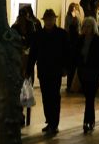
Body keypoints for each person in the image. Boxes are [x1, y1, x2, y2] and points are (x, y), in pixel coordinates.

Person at [29, 8, 72, 136]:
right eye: (47, 19)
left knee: (54, 97)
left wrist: (65, 68)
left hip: (56, 70)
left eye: (51, 19)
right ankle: (49, 121)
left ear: (54, 20)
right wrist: (28, 68)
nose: (49, 22)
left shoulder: (61, 34)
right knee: (46, 97)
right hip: (43, 70)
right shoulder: (39, 35)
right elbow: (33, 53)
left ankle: (54, 123)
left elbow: (67, 52)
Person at [75, 5, 99, 133]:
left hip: (95, 72)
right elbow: (76, 54)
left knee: (90, 97)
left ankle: (87, 121)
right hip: (83, 71)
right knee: (88, 97)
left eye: (89, 26)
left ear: (93, 27)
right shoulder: (80, 39)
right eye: (85, 26)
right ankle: (90, 121)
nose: (87, 28)